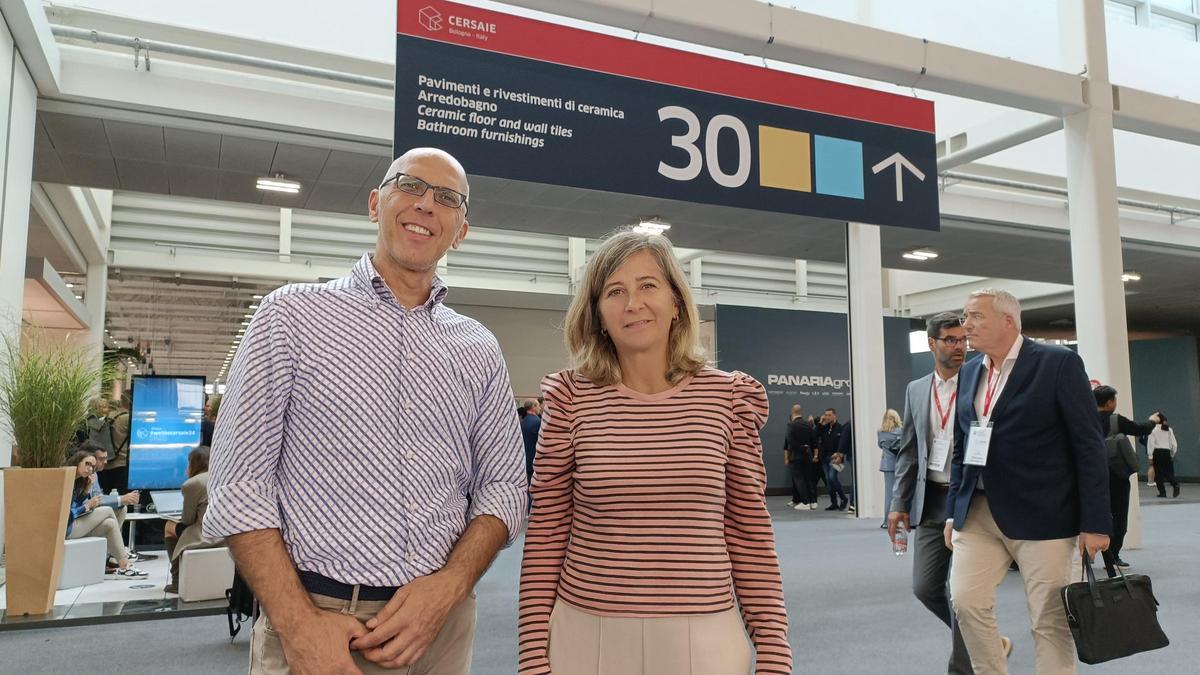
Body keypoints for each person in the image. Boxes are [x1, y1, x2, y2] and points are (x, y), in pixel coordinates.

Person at [204, 147, 528, 674]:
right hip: (323, 624)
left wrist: (449, 587)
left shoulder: (478, 347)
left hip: (440, 628)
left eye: (447, 198)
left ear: (461, 231)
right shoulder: (291, 318)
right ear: (376, 203)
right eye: (411, 186)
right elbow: (240, 486)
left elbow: (505, 487)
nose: (426, 204)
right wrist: (298, 626)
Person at [518, 228, 791, 675]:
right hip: (586, 635)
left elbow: (750, 535)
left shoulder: (728, 399)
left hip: (705, 638)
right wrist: (532, 655)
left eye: (648, 285)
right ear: (598, 314)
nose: (633, 303)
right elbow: (547, 533)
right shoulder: (570, 399)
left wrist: (775, 653)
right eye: (614, 291)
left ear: (677, 302)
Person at [945, 289, 1110, 675]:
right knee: (966, 602)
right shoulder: (969, 371)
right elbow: (962, 445)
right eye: (965, 317)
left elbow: (1088, 446)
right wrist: (954, 510)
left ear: (1008, 321)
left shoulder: (1057, 363)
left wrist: (1096, 521)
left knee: (1049, 620)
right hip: (978, 511)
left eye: (975, 316)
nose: (966, 326)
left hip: (1045, 513)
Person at [888, 312, 1008, 674]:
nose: (959, 347)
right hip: (931, 499)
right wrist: (898, 503)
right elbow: (910, 450)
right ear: (931, 343)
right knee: (925, 587)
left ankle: (963, 667)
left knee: (962, 593)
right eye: (951, 340)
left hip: (972, 499)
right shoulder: (916, 389)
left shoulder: (982, 381)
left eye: (963, 340)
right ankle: (987, 642)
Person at [1092, 385, 1156, 569]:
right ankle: (1112, 556)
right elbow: (1140, 429)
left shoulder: (1085, 419)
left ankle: (1088, 555)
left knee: (1094, 514)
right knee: (1119, 516)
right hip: (1116, 476)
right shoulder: (1115, 420)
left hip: (1092, 476)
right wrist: (1153, 421)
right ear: (1110, 402)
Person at [64, 451, 146, 579]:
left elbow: (78, 503)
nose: (90, 469)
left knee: (110, 523)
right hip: (67, 527)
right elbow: (67, 511)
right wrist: (86, 506)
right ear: (77, 462)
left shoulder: (80, 480)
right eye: (87, 464)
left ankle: (124, 566)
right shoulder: (66, 478)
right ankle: (118, 553)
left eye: (92, 466)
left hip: (75, 523)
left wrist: (87, 489)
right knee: (107, 510)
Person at [164, 446, 223, 593]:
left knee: (169, 526)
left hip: (205, 535)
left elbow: (188, 520)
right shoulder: (223, 476)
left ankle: (177, 578)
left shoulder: (191, 484)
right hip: (227, 533)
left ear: (193, 464)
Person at [785, 404, 818, 510]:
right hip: (808, 456)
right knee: (808, 479)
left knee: (799, 480)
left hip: (796, 456)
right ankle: (813, 502)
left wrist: (801, 448)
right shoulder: (808, 425)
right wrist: (807, 449)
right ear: (801, 412)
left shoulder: (791, 425)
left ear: (792, 412)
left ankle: (805, 502)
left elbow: (790, 440)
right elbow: (813, 440)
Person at [97, 398, 131, 494]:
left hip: (104, 465)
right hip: (121, 464)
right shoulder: (126, 418)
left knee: (105, 496)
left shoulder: (102, 420)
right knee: (122, 497)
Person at [815, 408, 847, 510]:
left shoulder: (840, 428)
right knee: (828, 480)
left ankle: (843, 498)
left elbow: (843, 443)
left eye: (829, 415)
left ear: (834, 415)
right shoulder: (824, 427)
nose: (827, 417)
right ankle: (834, 503)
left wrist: (840, 456)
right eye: (825, 415)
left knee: (832, 477)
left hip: (835, 457)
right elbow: (814, 435)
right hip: (824, 457)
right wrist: (820, 423)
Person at [877, 409, 902, 528]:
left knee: (889, 495)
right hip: (901, 464)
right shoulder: (901, 431)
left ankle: (887, 521)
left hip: (887, 465)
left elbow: (880, 445)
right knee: (901, 493)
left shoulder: (880, 432)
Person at [1146, 412, 1179, 499]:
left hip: (1157, 452)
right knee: (1167, 472)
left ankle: (1162, 492)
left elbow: (1151, 443)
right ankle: (1175, 484)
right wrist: (1172, 453)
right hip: (1167, 452)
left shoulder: (1153, 430)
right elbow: (1174, 444)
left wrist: (1150, 456)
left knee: (1158, 474)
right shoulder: (1169, 429)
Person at [520, 399, 542, 481]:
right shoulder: (538, 422)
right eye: (538, 406)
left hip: (525, 458)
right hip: (535, 459)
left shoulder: (522, 422)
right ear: (533, 407)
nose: (540, 408)